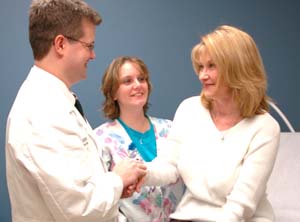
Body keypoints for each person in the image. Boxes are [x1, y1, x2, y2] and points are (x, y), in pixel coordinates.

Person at [5, 1, 146, 222]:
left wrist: (114, 187)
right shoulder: (43, 111)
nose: (93, 55)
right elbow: (80, 209)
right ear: (60, 44)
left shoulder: (57, 102)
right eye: (89, 46)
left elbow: (78, 187)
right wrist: (118, 179)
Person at [144, 25, 280, 222]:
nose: (202, 75)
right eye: (200, 67)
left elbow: (240, 206)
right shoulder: (189, 109)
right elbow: (168, 165)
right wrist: (140, 174)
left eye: (212, 66)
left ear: (237, 67)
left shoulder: (265, 127)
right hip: (189, 215)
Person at [94, 56, 185, 222]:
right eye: (127, 81)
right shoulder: (101, 139)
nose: (137, 85)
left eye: (141, 79)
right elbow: (100, 196)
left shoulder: (170, 129)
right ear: (113, 92)